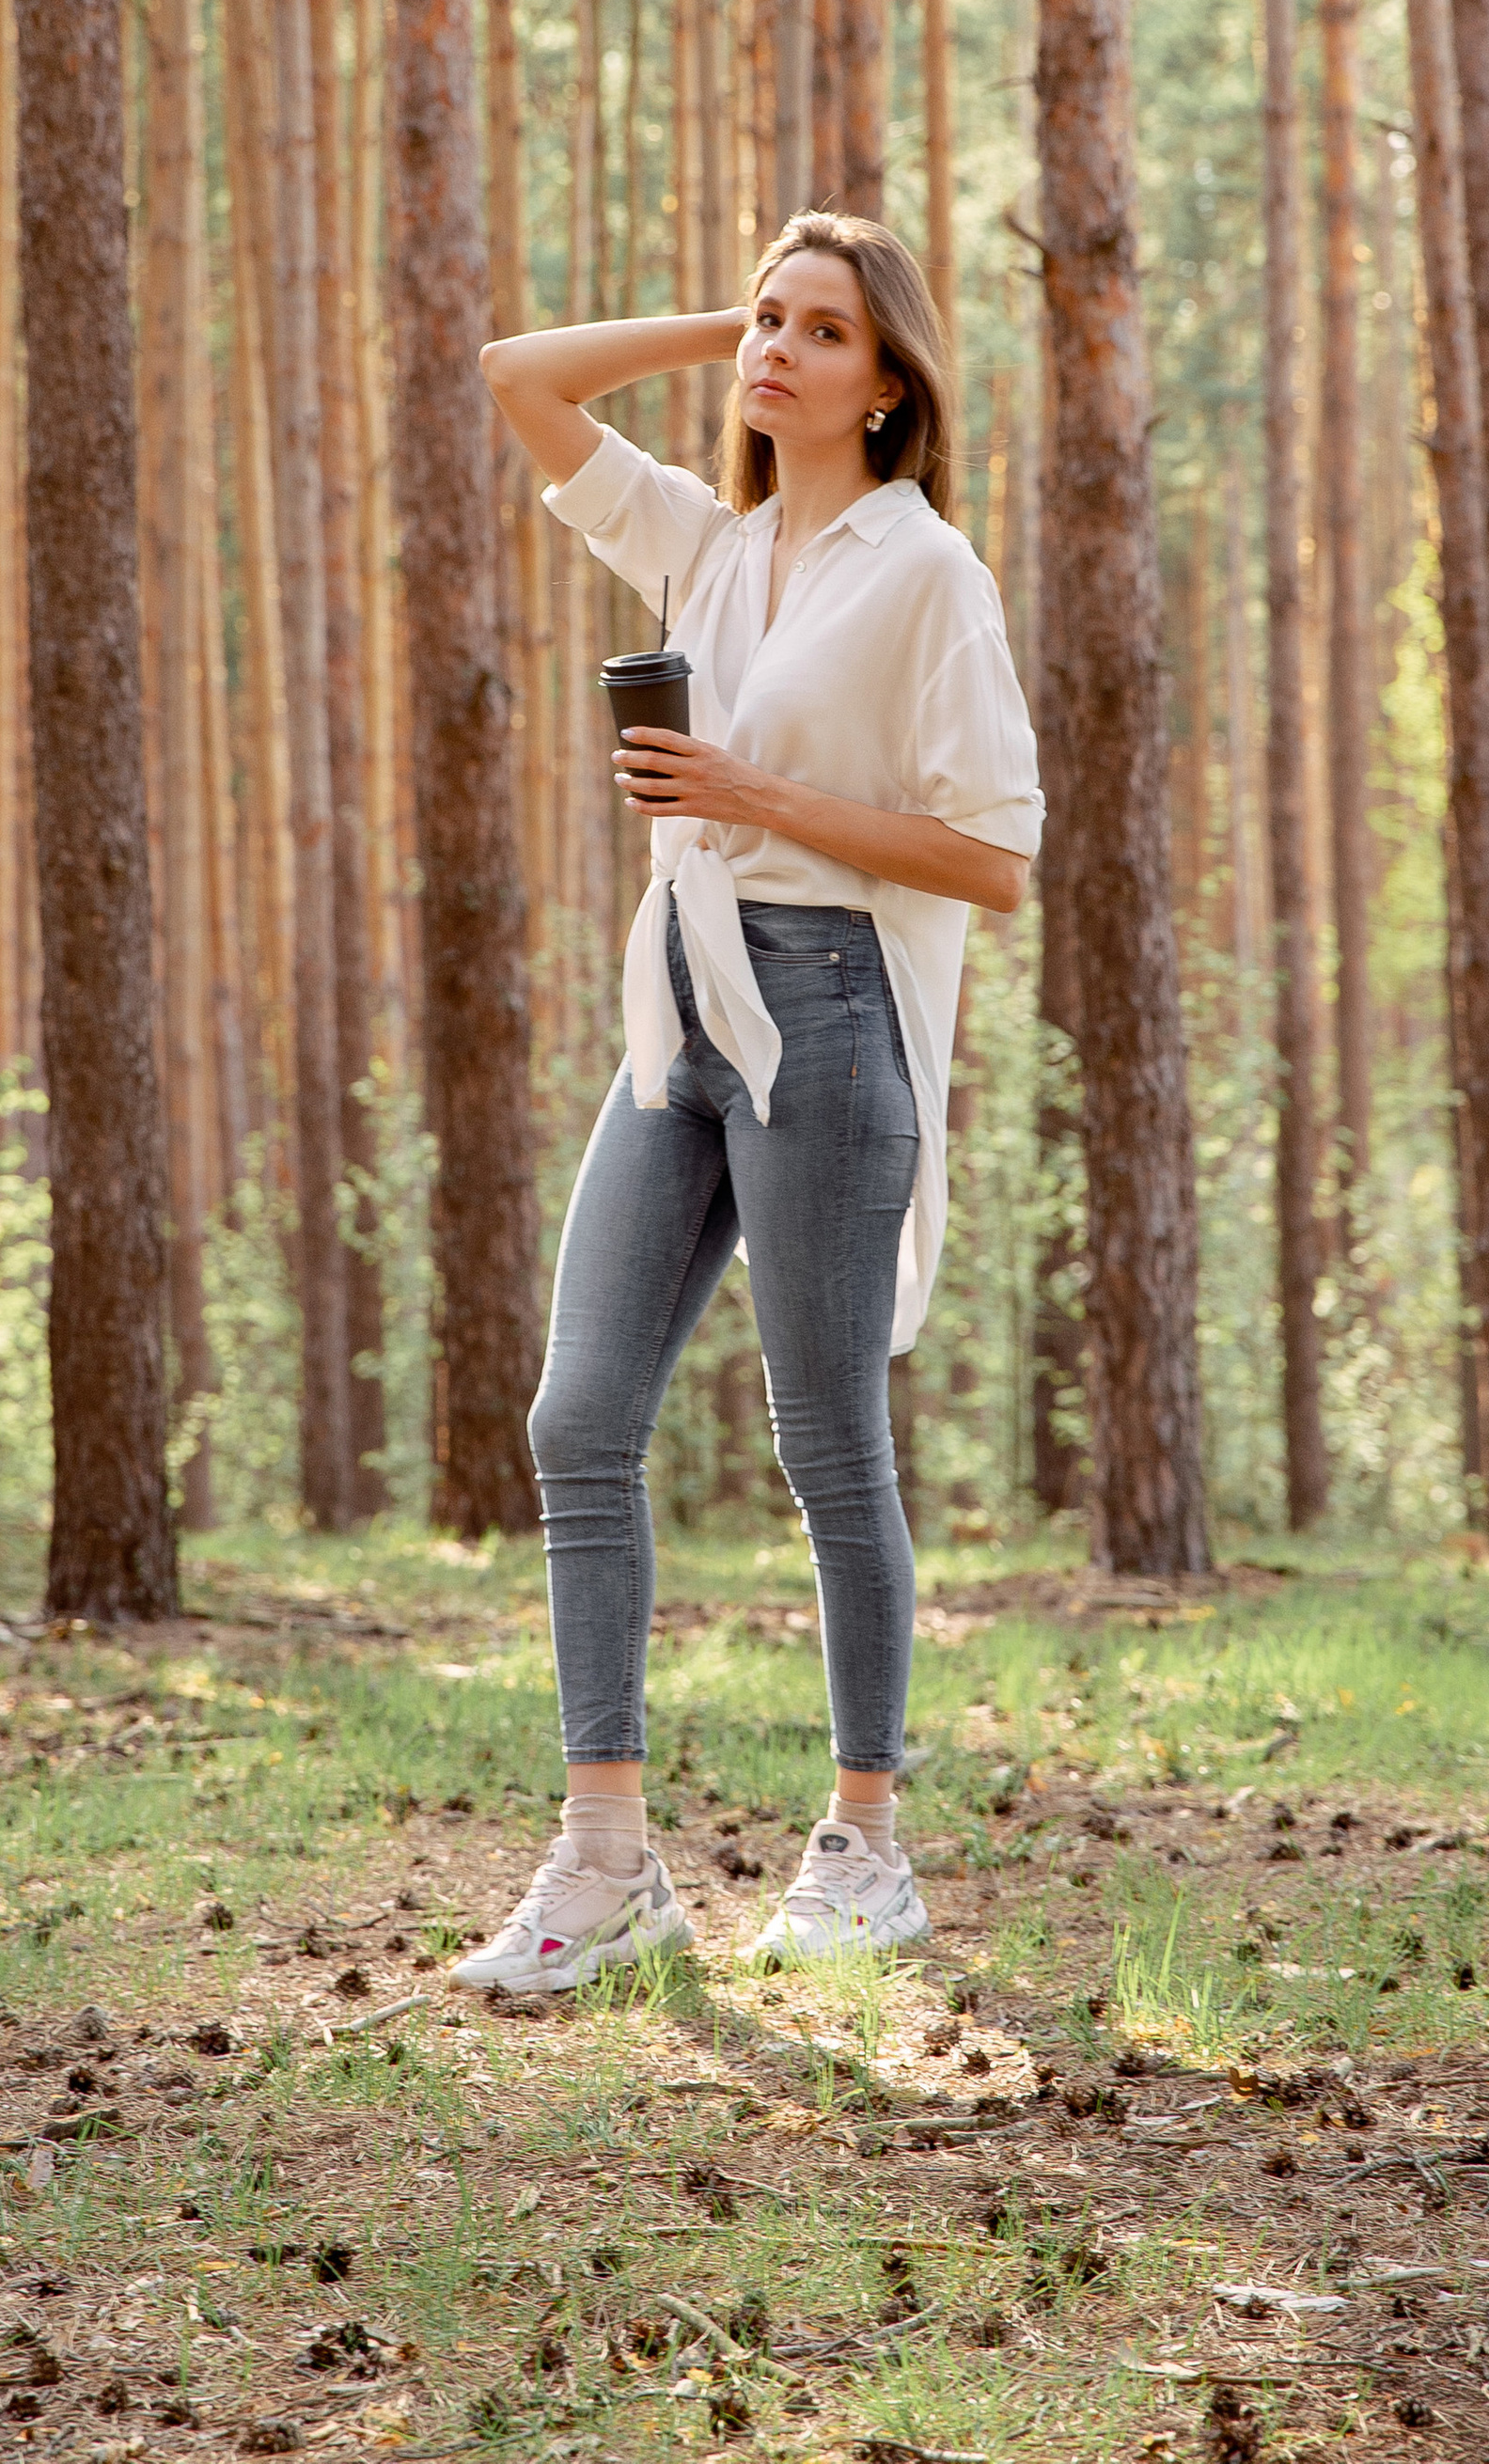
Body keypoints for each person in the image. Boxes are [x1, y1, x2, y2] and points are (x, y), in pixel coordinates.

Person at [457, 211, 1042, 1995]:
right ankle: (606, 1861)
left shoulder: (928, 571)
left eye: (824, 332)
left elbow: (996, 859)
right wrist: (745, 311)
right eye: (771, 326)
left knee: (825, 1440)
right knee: (578, 1419)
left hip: (834, 1009)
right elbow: (519, 377)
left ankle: (865, 1847)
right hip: (683, 1005)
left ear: (891, 385)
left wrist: (750, 791)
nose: (779, 351)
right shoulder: (709, 546)